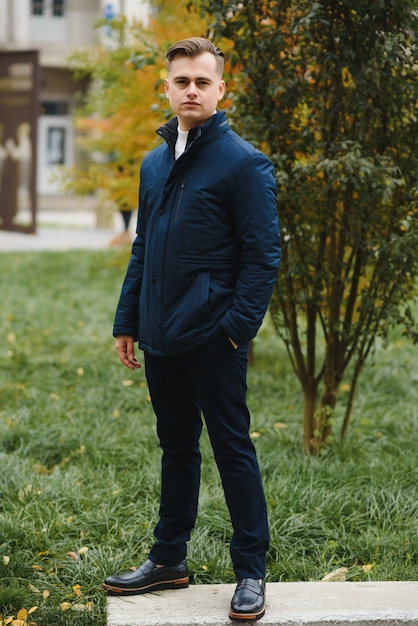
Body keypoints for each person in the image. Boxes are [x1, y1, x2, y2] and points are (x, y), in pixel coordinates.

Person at [103, 37, 281, 622]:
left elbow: (263, 257)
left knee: (232, 448)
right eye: (182, 81)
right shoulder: (154, 163)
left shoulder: (243, 163)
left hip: (214, 337)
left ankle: (251, 571)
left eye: (202, 82)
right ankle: (168, 561)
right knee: (176, 448)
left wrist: (234, 329)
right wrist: (128, 320)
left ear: (220, 89)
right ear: (168, 86)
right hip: (160, 334)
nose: (191, 91)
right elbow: (143, 246)